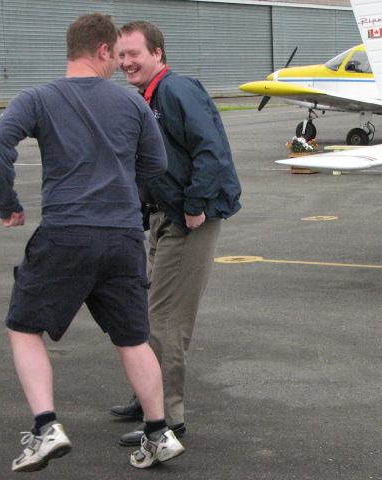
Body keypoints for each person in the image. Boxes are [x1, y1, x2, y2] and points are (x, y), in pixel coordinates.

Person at [0, 13, 185, 471]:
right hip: (121, 237)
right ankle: (160, 432)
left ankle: (45, 427)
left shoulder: (39, 98)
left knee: (23, 327)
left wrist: (7, 203)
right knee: (133, 338)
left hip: (66, 232)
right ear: (100, 51)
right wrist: (122, 194)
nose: (119, 63)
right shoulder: (132, 105)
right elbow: (155, 163)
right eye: (116, 54)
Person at [110, 21, 241, 446]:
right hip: (163, 216)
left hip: (188, 221)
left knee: (167, 321)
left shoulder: (176, 90)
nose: (127, 62)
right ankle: (147, 397)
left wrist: (196, 205)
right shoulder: (147, 97)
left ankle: (166, 418)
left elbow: (211, 150)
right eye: (121, 54)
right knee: (150, 313)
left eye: (135, 53)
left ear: (158, 54)